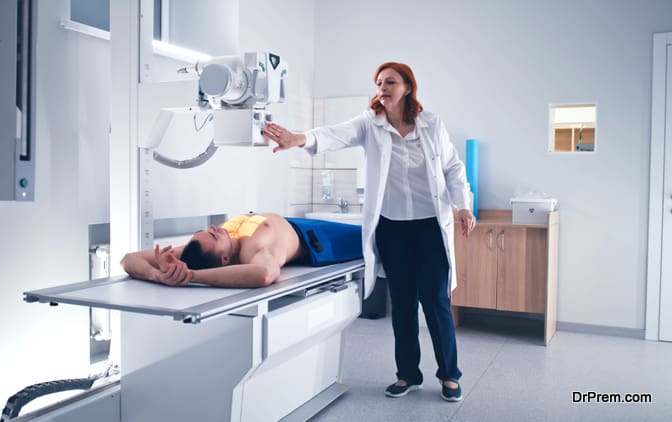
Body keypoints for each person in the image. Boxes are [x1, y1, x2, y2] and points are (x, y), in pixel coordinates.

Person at [262, 62, 475, 402]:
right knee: (403, 303)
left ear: (407, 86)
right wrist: (299, 139)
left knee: (435, 302)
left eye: (390, 81)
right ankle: (408, 374)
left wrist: (463, 205)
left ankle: (450, 374)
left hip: (430, 226)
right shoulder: (369, 124)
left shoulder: (431, 125)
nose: (382, 88)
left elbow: (452, 167)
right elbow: (333, 134)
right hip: (391, 228)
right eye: (378, 83)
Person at [120, 212, 361, 288]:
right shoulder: (254, 250)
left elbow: (128, 259)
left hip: (291, 220)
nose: (215, 227)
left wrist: (157, 275)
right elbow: (264, 275)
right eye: (214, 235)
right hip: (312, 237)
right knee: (375, 236)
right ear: (225, 258)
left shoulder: (195, 250)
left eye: (209, 229)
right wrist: (191, 277)